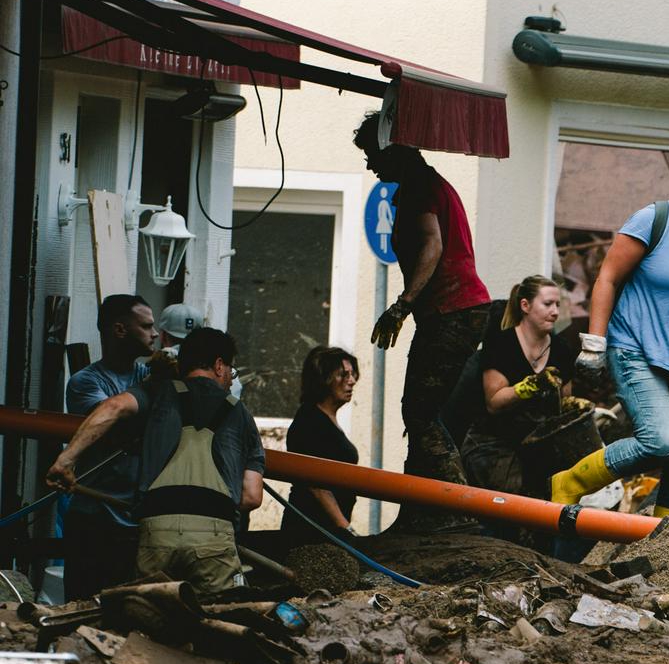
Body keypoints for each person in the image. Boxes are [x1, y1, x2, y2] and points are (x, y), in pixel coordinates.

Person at [551, 152, 669, 513]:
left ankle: (664, 541)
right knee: (659, 441)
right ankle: (570, 482)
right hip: (635, 349)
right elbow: (607, 279)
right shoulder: (653, 220)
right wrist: (594, 344)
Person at [47, 327, 264, 593]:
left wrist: (65, 461)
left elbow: (113, 408)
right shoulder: (242, 415)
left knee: (149, 613)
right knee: (217, 616)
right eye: (231, 370)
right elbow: (252, 496)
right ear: (219, 365)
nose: (231, 379)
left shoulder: (158, 392)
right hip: (214, 531)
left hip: (156, 529)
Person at [356, 113, 493, 488]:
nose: (369, 163)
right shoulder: (427, 185)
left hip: (451, 311)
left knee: (418, 412)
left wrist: (403, 304)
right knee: (425, 411)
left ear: (391, 149)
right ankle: (428, 501)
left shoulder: (420, 188)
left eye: (371, 153)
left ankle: (452, 502)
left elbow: (432, 245)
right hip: (460, 310)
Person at [60, 294, 157, 598]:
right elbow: (115, 424)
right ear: (120, 330)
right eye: (146, 326)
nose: (154, 333)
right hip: (95, 516)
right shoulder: (85, 382)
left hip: (138, 517)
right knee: (83, 606)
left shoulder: (150, 376)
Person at [468, 275, 576, 497]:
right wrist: (529, 387)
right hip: (494, 445)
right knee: (509, 499)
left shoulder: (562, 350)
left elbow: (563, 405)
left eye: (557, 304)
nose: (555, 311)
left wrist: (574, 408)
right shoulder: (502, 343)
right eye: (547, 304)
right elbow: (494, 403)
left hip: (539, 447)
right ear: (525, 305)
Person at [279, 346, 361, 552]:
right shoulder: (310, 421)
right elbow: (316, 485)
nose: (351, 381)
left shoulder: (326, 420)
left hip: (326, 531)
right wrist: (345, 528)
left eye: (352, 374)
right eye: (343, 375)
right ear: (323, 379)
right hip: (311, 532)